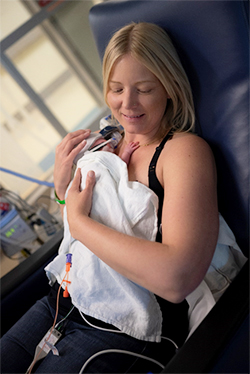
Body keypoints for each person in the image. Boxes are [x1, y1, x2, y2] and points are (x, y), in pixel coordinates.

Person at [1, 21, 242, 374]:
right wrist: (61, 191)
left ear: (170, 87)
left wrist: (79, 222)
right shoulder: (104, 143)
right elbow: (80, 229)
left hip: (126, 326)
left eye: (143, 89)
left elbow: (178, 278)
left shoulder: (182, 153)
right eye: (116, 89)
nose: (126, 105)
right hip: (63, 301)